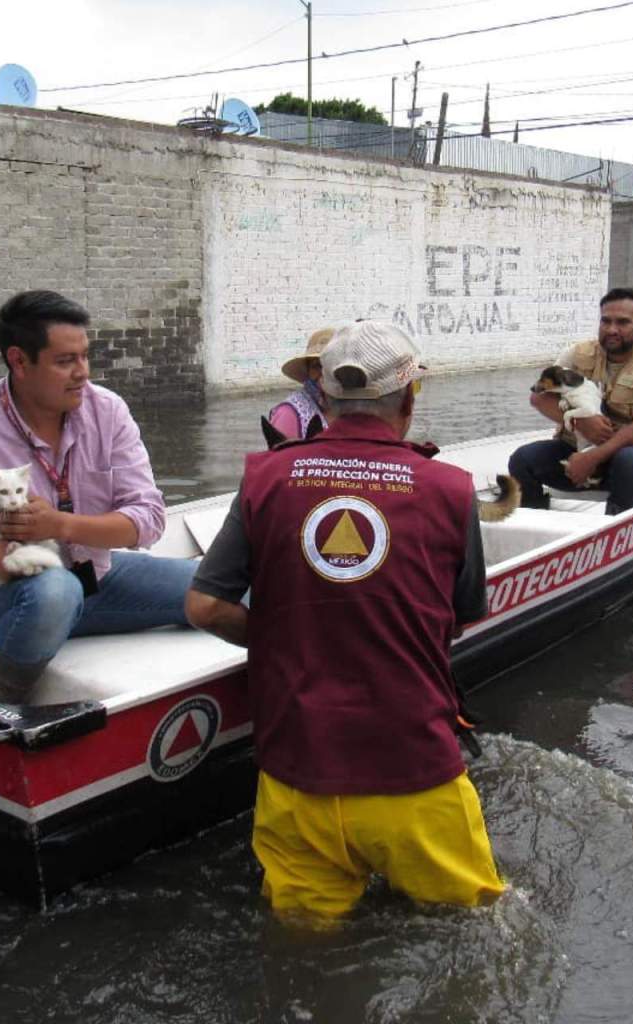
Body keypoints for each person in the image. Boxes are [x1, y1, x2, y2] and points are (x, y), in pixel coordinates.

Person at [185, 320, 504, 921]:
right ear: (410, 399)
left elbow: (203, 605)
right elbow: (458, 619)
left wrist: (280, 638)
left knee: (304, 949)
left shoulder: (266, 477)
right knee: (473, 926)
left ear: (324, 399)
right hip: (414, 775)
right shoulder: (450, 490)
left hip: (296, 778)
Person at [0, 289, 194, 704]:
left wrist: (60, 526)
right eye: (65, 361)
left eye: (85, 356)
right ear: (19, 361)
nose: (82, 373)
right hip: (1, 597)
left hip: (96, 579)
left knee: (226, 586)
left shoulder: (108, 412)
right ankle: (1, 706)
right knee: (55, 590)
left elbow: (148, 519)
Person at [507, 287, 633, 515]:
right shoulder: (576, 354)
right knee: (522, 460)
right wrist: (583, 424)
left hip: (625, 453)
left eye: (623, 322)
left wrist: (591, 458)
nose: (612, 329)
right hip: (576, 447)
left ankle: (617, 528)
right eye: (605, 321)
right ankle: (536, 520)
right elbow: (539, 398)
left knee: (631, 462)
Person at [261, 327, 334, 448]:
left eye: (330, 365)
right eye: (317, 366)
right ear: (307, 371)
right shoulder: (289, 413)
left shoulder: (348, 408)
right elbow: (280, 461)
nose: (324, 373)